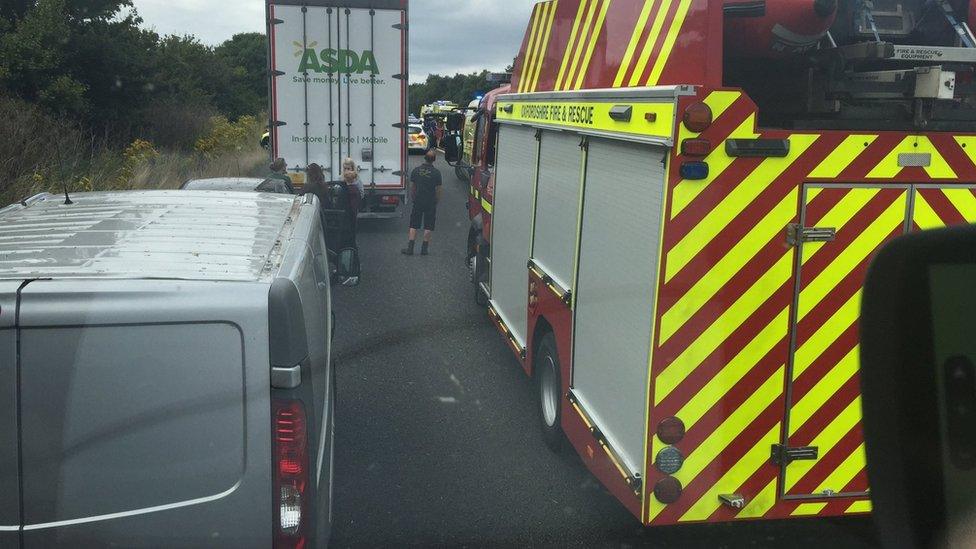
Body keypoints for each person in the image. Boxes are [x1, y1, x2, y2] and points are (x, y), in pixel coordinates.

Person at [401, 150, 442, 256]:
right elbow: (438, 190)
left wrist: (413, 197)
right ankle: (424, 248)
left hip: (418, 200)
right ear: (434, 160)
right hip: (430, 201)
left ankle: (410, 248)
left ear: (425, 158)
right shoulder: (437, 173)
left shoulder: (416, 171)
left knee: (414, 223)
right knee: (429, 225)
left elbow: (413, 187)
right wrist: (436, 200)